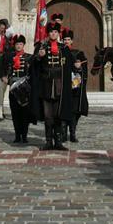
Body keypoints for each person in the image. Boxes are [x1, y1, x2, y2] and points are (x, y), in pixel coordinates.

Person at [32, 21, 74, 150]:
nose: (53, 34)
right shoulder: (41, 47)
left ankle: (59, 142)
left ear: (58, 33)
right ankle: (48, 141)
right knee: (48, 116)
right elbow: (33, 64)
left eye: (55, 32)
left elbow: (69, 66)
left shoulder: (64, 48)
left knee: (58, 115)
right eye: (51, 32)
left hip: (60, 85)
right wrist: (39, 57)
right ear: (48, 33)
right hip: (46, 85)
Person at [1, 34, 34, 144]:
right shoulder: (8, 56)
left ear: (23, 45)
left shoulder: (29, 57)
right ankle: (17, 135)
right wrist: (3, 77)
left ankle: (24, 135)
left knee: (25, 113)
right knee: (15, 113)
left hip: (24, 90)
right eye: (17, 44)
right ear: (14, 45)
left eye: (20, 44)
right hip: (13, 89)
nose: (19, 46)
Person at [62, 29, 89, 143]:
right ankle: (63, 134)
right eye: (65, 39)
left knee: (74, 111)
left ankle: (72, 133)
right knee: (62, 111)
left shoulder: (78, 53)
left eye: (68, 39)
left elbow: (85, 69)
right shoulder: (59, 52)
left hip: (75, 88)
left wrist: (79, 67)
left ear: (72, 41)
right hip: (63, 87)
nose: (67, 41)